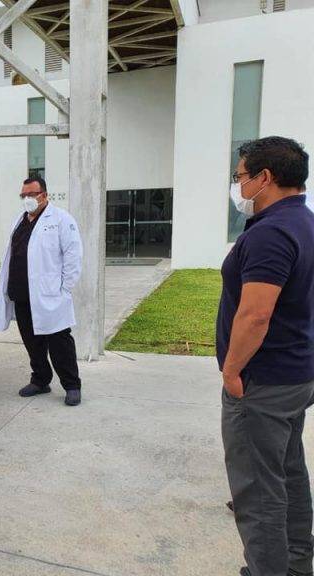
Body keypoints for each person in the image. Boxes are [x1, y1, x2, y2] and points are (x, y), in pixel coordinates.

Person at [218, 136, 314, 576]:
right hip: (295, 374)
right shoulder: (304, 222)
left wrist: (233, 372)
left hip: (264, 382)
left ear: (265, 179)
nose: (238, 185)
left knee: (258, 491)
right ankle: (295, 564)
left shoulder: (272, 233)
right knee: (289, 474)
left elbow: (255, 315)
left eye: (241, 176)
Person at [0, 177, 83, 406]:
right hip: (22, 294)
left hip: (50, 295)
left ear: (44, 195)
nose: (27, 199)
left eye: (31, 194)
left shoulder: (61, 219)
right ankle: (40, 379)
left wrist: (64, 289)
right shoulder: (20, 221)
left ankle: (72, 385)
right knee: (32, 342)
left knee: (60, 343)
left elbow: (73, 256)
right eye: (23, 195)